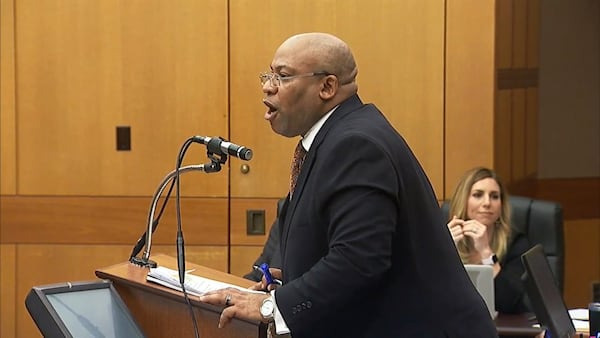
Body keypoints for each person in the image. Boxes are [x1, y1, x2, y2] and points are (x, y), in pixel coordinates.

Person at [200, 32, 497, 337]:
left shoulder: (355, 144)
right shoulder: (336, 137)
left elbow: (360, 260)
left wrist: (271, 307)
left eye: (283, 76)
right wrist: (294, 276)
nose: (267, 86)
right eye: (269, 74)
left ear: (327, 87)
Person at [446, 166, 531, 314]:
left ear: (501, 205)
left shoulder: (516, 243)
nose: (487, 203)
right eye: (478, 195)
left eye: (494, 196)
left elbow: (510, 302)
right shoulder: (444, 237)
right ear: (463, 201)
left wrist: (486, 253)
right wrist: (445, 248)